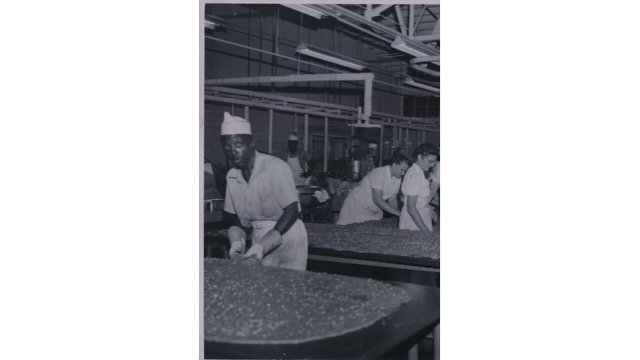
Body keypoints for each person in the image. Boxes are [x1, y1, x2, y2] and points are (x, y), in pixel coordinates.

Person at [221, 112, 308, 270]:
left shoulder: (275, 167)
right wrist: (237, 242)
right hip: (259, 237)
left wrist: (264, 245)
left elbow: (292, 210)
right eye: (226, 147)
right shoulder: (232, 177)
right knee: (263, 289)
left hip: (287, 235)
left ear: (252, 144)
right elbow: (240, 220)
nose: (232, 152)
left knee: (290, 288)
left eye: (238, 145)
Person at [336, 153, 410, 225]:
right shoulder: (379, 173)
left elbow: (392, 199)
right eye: (402, 170)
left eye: (405, 171)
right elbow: (377, 200)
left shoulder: (397, 178)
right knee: (351, 231)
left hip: (373, 209)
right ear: (394, 165)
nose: (403, 173)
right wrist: (398, 213)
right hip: (358, 207)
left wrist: (398, 214)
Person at [399, 143, 439, 231]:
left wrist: (427, 207)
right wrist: (425, 230)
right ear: (420, 157)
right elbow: (411, 207)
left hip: (421, 214)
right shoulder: (414, 175)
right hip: (413, 219)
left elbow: (419, 198)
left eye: (434, 162)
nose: (432, 165)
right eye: (430, 161)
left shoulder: (419, 172)